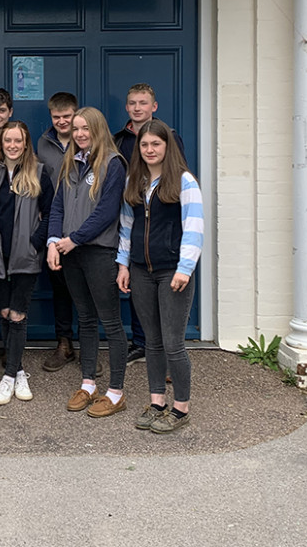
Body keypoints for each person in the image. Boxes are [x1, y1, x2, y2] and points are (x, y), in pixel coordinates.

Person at [116, 119, 203, 434]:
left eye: (156, 144)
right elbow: (127, 227)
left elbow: (194, 227)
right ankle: (157, 403)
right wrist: (123, 264)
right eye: (144, 145)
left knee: (172, 343)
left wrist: (185, 268)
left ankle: (181, 409)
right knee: (151, 342)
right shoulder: (135, 182)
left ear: (167, 147)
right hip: (140, 272)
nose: (150, 150)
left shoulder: (183, 181)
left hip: (172, 273)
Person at [47, 107, 128, 418]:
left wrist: (73, 239)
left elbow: (106, 212)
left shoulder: (113, 163)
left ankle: (116, 391)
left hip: (98, 253)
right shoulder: (70, 162)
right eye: (76, 128)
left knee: (110, 321)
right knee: (86, 320)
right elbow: (57, 207)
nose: (80, 134)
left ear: (98, 129)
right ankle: (89, 384)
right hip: (71, 253)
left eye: (86, 128)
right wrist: (54, 242)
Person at [0, 121, 54, 405]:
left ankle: (9, 377)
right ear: (1, 143)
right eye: (7, 140)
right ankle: (17, 369)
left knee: (18, 314)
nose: (12, 145)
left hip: (26, 256)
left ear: (25, 143)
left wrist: (36, 244)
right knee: (5, 312)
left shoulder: (40, 173)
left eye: (17, 141)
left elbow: (51, 214)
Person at [111, 83, 186, 365]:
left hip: (161, 224)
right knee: (136, 287)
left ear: (154, 106)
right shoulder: (120, 139)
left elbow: (179, 179)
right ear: (127, 107)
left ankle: (168, 351)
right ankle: (141, 343)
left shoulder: (169, 137)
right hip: (130, 216)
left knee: (164, 295)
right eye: (133, 103)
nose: (138, 107)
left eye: (143, 103)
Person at [36, 91, 79, 372]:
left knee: (88, 290)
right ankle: (64, 344)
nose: (62, 121)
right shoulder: (42, 142)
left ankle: (88, 348)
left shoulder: (89, 139)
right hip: (55, 225)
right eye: (57, 117)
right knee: (61, 288)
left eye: (67, 116)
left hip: (85, 227)